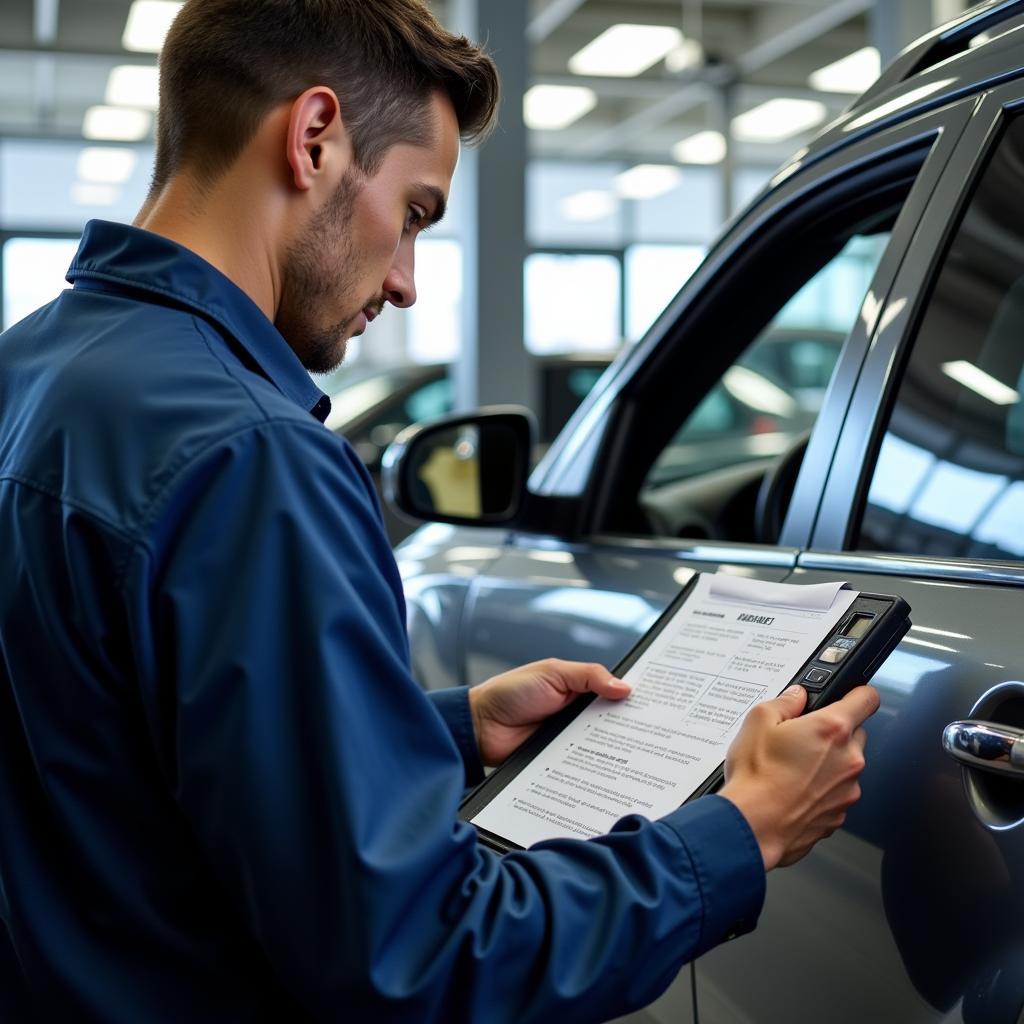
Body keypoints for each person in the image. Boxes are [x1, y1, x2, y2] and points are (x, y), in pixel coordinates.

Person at [0, 1, 879, 1021]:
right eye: (414, 212)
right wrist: (743, 831)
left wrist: (449, 728)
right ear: (314, 137)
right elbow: (422, 954)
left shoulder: (33, 372)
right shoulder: (251, 456)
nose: (410, 282)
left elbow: (107, 748)